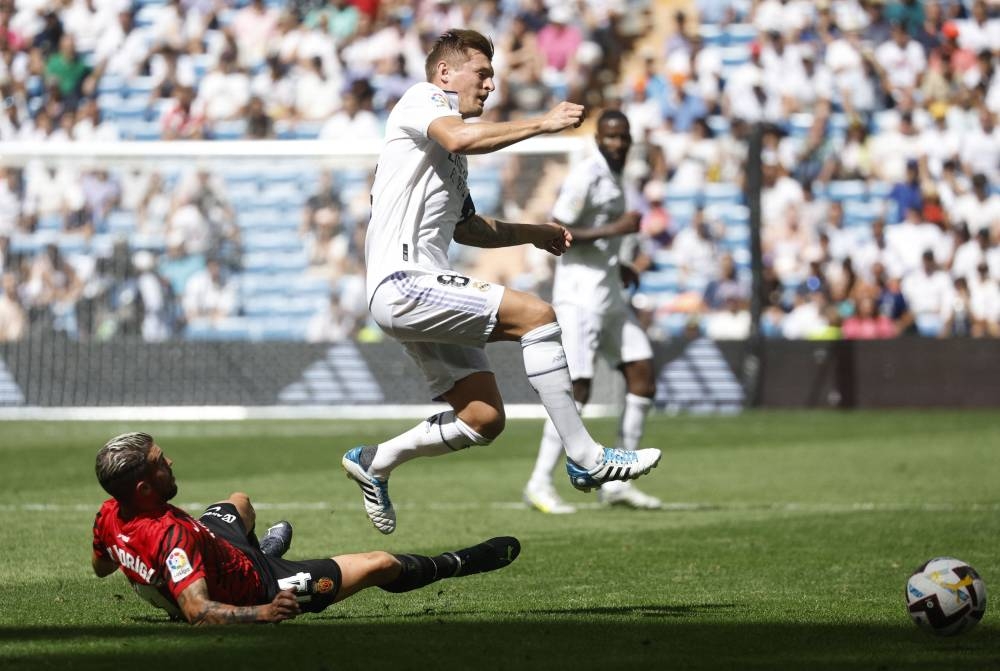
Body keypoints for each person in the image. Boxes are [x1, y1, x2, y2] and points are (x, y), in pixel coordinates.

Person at [345, 29, 660, 535]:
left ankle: (375, 460)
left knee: (484, 418)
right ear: (445, 73)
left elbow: (468, 227)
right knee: (537, 316)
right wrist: (543, 123)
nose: (490, 85)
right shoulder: (422, 99)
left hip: (419, 287)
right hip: (404, 280)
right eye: (483, 73)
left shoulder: (450, 156)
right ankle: (585, 457)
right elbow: (461, 134)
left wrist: (533, 233)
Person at [91, 432, 520, 625]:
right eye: (162, 462)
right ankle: (459, 562)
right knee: (378, 563)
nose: (171, 464)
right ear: (145, 488)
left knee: (238, 502)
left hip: (218, 547)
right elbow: (198, 612)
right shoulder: (172, 540)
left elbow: (102, 565)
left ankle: (266, 550)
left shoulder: (111, 513)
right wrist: (264, 611)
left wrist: (146, 569)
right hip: (258, 584)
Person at [522, 110, 662, 515]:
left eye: (623, 137)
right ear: (598, 138)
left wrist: (617, 263)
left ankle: (618, 486)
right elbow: (557, 231)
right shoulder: (586, 174)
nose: (617, 143)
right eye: (610, 136)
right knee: (577, 389)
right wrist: (615, 231)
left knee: (642, 376)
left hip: (609, 293)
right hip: (580, 297)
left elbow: (597, 236)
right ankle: (539, 482)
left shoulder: (618, 175)